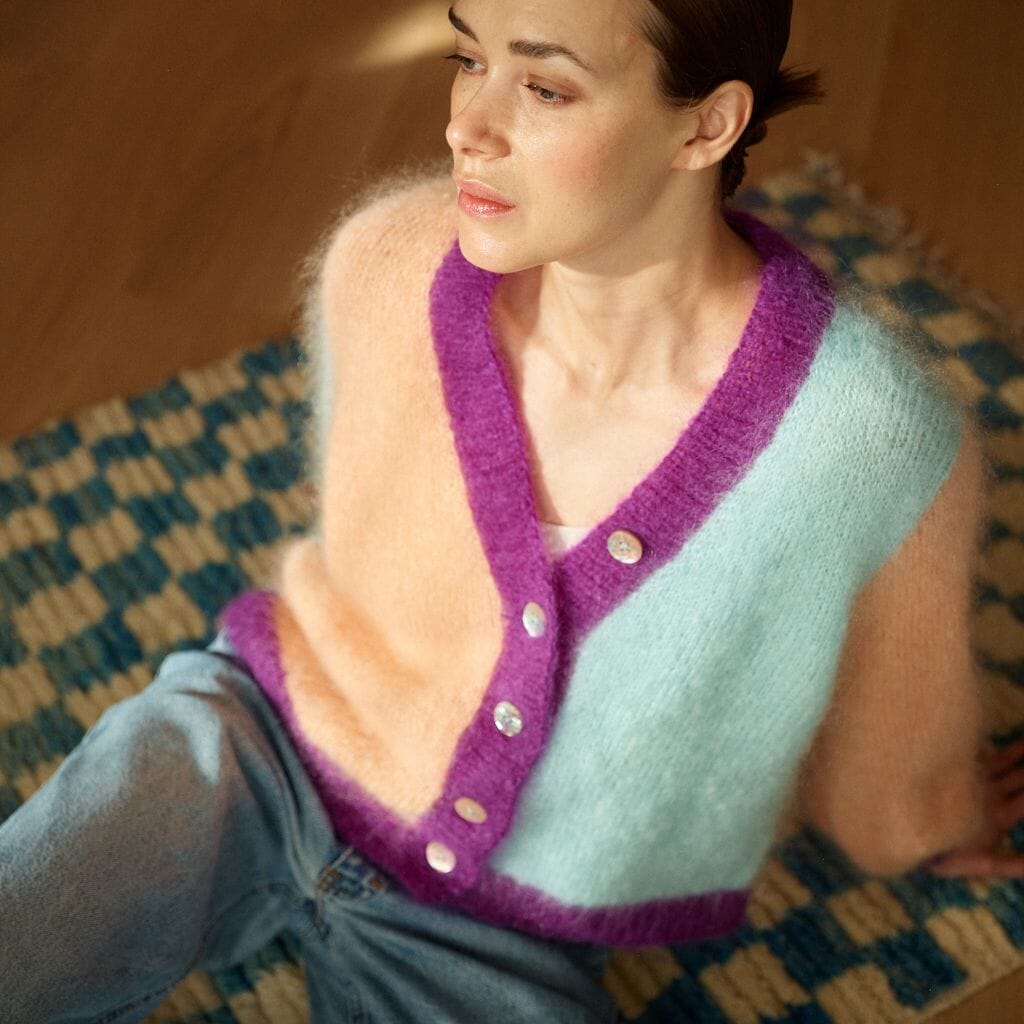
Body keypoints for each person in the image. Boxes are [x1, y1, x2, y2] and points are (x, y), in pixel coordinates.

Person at [3, 0, 1024, 1021]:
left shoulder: (866, 433)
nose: (466, 126)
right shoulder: (386, 265)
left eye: (543, 86)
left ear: (704, 126)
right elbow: (364, 547)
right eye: (467, 58)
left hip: (513, 907)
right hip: (257, 744)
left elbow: (900, 690)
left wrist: (922, 820)